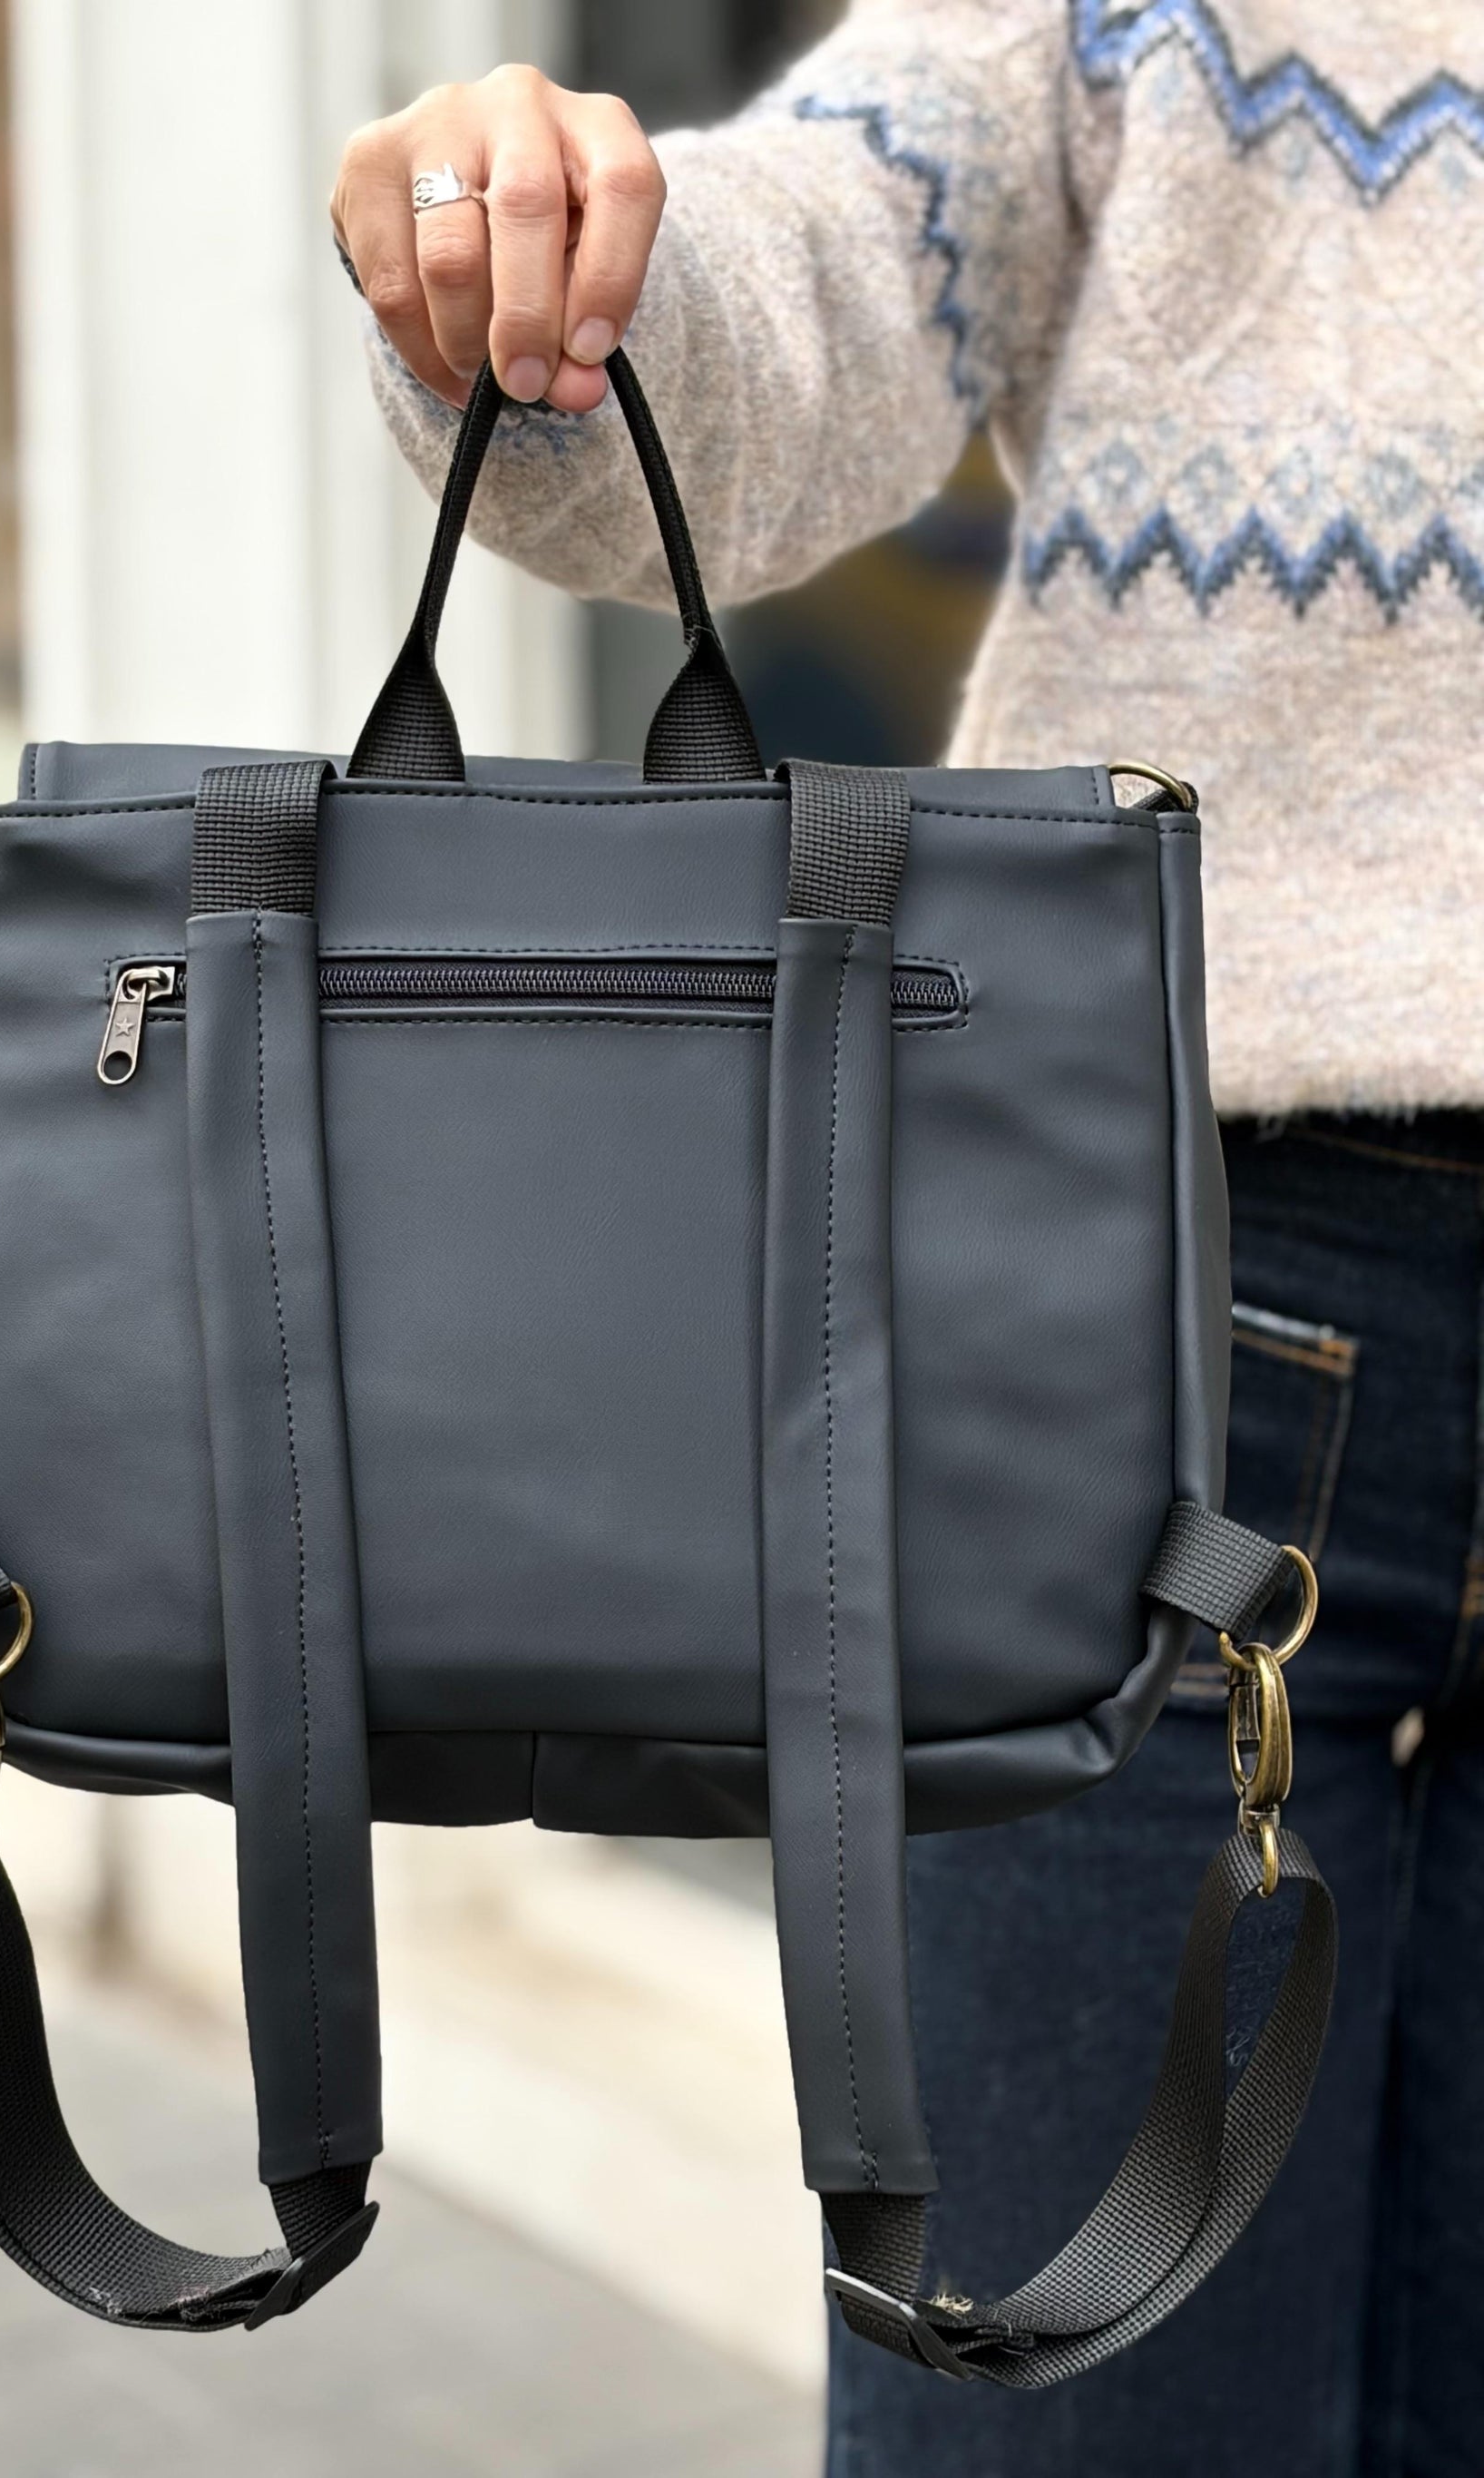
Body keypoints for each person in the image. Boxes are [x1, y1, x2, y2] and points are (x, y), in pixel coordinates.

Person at [331, 10, 1484, 2473]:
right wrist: (561, 261)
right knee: (1052, 2418)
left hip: (1161, 1298)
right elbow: (834, 260)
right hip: (1170, 1332)